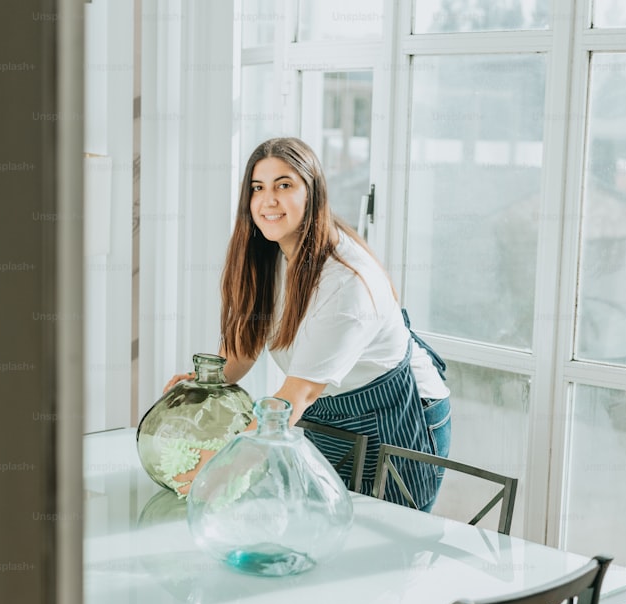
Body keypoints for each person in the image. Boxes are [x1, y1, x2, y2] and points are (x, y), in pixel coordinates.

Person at [165, 137, 451, 511]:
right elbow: (243, 348)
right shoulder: (269, 255)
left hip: (397, 417)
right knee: (320, 524)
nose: (268, 200)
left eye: (284, 185)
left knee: (385, 547)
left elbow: (297, 395)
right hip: (326, 410)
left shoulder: (346, 282)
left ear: (312, 193)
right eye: (258, 188)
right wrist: (206, 383)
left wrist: (223, 465)